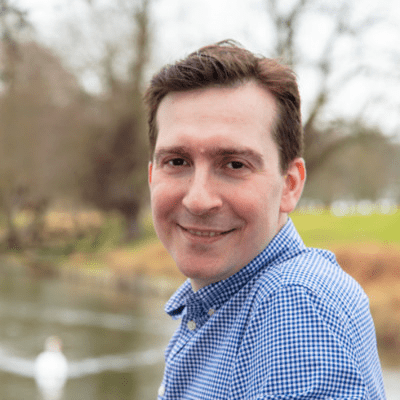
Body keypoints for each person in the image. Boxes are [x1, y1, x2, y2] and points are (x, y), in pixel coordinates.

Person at [144, 40, 386, 399]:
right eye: (177, 162)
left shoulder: (296, 306)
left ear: (290, 185)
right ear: (152, 176)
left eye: (234, 164)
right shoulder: (224, 303)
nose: (198, 199)